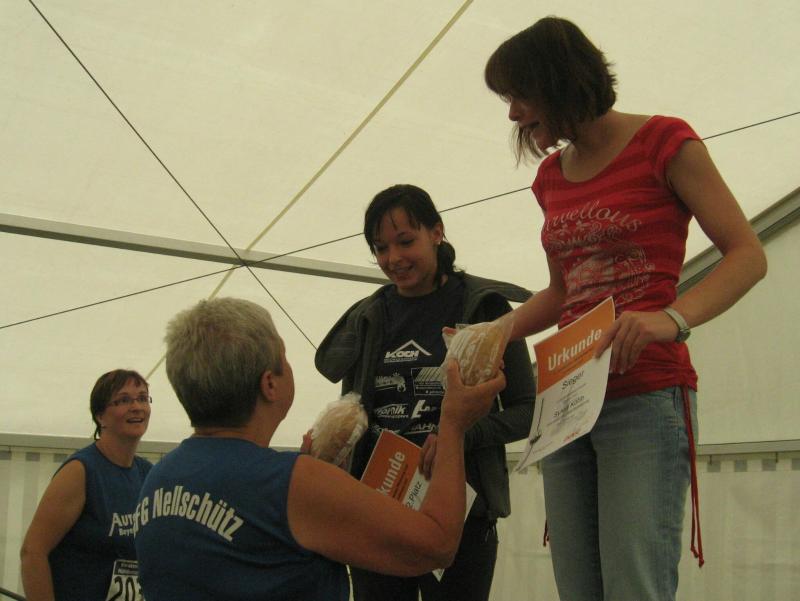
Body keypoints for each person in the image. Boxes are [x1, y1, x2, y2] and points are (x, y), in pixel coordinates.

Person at [484, 16, 768, 601]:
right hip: (567, 400)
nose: (513, 114)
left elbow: (747, 255)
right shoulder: (549, 177)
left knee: (635, 585)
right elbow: (563, 292)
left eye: (519, 95)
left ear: (559, 80)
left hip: (645, 394)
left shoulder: (664, 142)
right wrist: (493, 332)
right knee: (578, 587)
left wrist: (672, 319)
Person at [133, 297, 504, 601]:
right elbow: (437, 544)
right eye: (284, 357)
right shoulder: (295, 482)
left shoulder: (157, 478)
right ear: (270, 385)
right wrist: (453, 425)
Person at [315, 184, 537, 601]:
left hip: (464, 512)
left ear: (437, 232)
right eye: (381, 248)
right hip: (378, 510)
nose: (393, 259)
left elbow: (527, 410)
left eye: (405, 241)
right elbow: (354, 410)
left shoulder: (485, 307)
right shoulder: (368, 317)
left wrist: (459, 436)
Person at [20, 369, 153, 601]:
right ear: (100, 416)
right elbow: (33, 552)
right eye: (123, 400)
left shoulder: (147, 474)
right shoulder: (80, 472)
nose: (136, 407)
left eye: (142, 398)